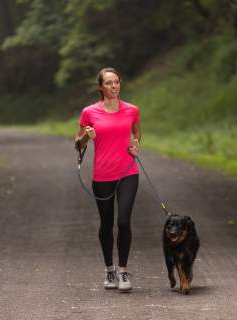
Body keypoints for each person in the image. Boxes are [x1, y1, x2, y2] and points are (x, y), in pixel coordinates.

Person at [75, 67, 141, 292]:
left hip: (128, 173)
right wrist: (86, 136)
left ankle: (123, 272)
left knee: (123, 221)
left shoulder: (132, 110)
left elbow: (137, 132)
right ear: (101, 87)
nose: (114, 86)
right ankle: (109, 270)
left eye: (117, 82)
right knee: (106, 223)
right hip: (102, 176)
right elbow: (77, 144)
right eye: (109, 83)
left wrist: (135, 143)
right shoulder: (89, 112)